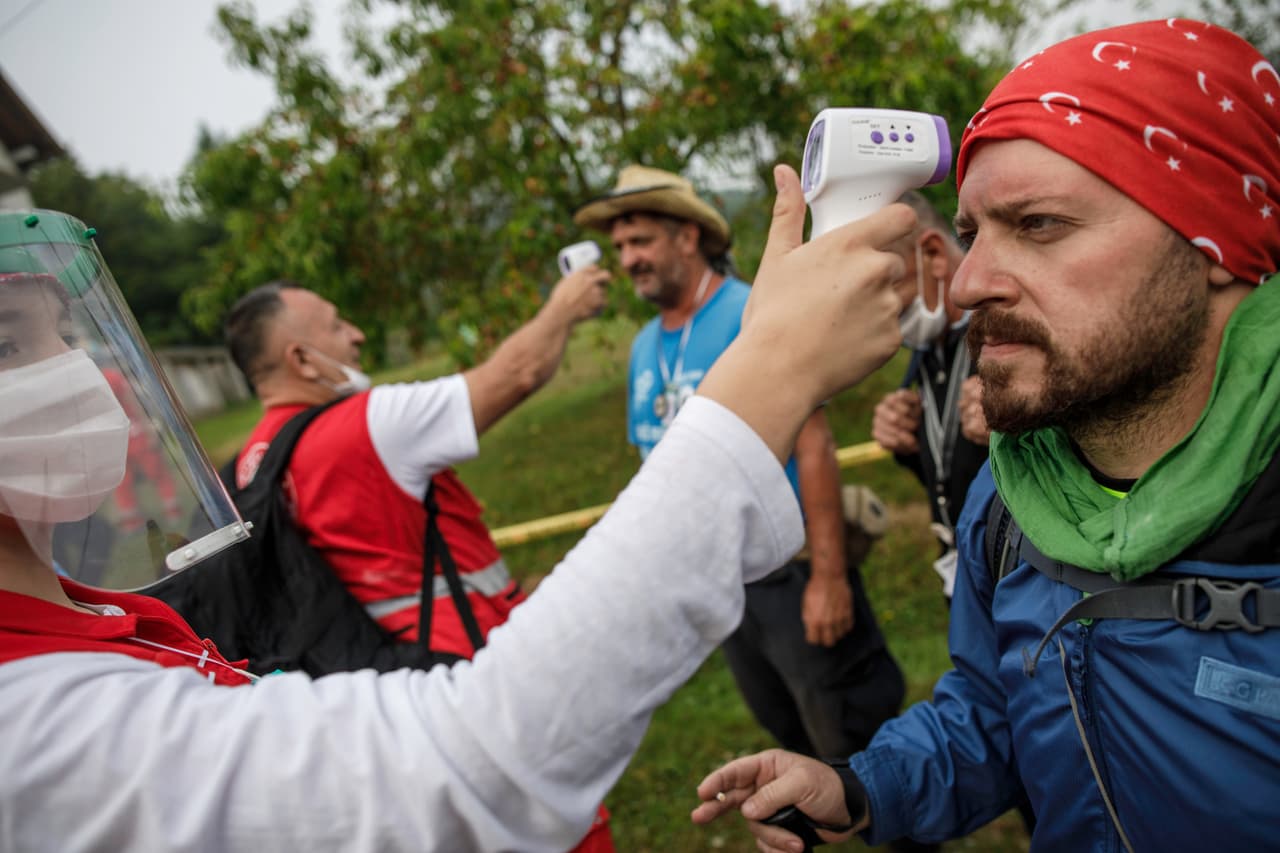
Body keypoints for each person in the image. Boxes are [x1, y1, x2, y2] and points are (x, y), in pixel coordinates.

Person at [0, 170, 913, 851]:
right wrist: (779, 364)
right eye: (14, 342)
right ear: (306, 361)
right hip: (467, 697)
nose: (84, 371)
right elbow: (469, 755)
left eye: (65, 335)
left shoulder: (195, 522)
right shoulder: (372, 420)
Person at [693, 19, 1280, 852]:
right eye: (973, 235)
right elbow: (996, 707)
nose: (967, 283)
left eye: (1038, 224)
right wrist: (861, 785)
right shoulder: (1009, 501)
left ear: (1214, 238)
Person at [223, 268, 615, 849]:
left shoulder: (246, 466)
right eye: (336, 325)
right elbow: (517, 373)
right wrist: (563, 306)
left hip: (377, 694)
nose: (356, 335)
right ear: (302, 361)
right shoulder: (368, 424)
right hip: (470, 673)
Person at [575, 166, 906, 761]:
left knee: (852, 729)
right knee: (784, 724)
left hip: (791, 570)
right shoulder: (644, 345)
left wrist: (828, 578)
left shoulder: (749, 314)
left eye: (641, 240)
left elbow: (814, 445)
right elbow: (650, 461)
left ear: (688, 237)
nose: (628, 259)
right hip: (722, 582)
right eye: (620, 246)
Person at [872, 191, 988, 600]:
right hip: (963, 578)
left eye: (887, 288)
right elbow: (948, 468)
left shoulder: (1008, 334)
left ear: (935, 254)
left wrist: (1024, 429)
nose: (883, 313)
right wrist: (905, 441)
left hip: (1027, 582)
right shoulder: (928, 352)